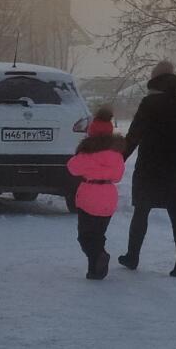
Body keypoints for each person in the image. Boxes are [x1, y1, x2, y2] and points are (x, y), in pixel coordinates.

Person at [119, 60, 176, 278]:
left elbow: (134, 135)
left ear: (155, 80)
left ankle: (132, 257)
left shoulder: (149, 103)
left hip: (150, 167)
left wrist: (118, 158)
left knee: (141, 212)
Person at [65, 106, 126, 280]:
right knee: (99, 234)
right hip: (108, 196)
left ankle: (99, 257)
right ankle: (95, 270)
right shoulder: (116, 154)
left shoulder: (87, 153)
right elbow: (118, 175)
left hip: (89, 195)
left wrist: (89, 164)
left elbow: (72, 167)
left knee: (84, 236)